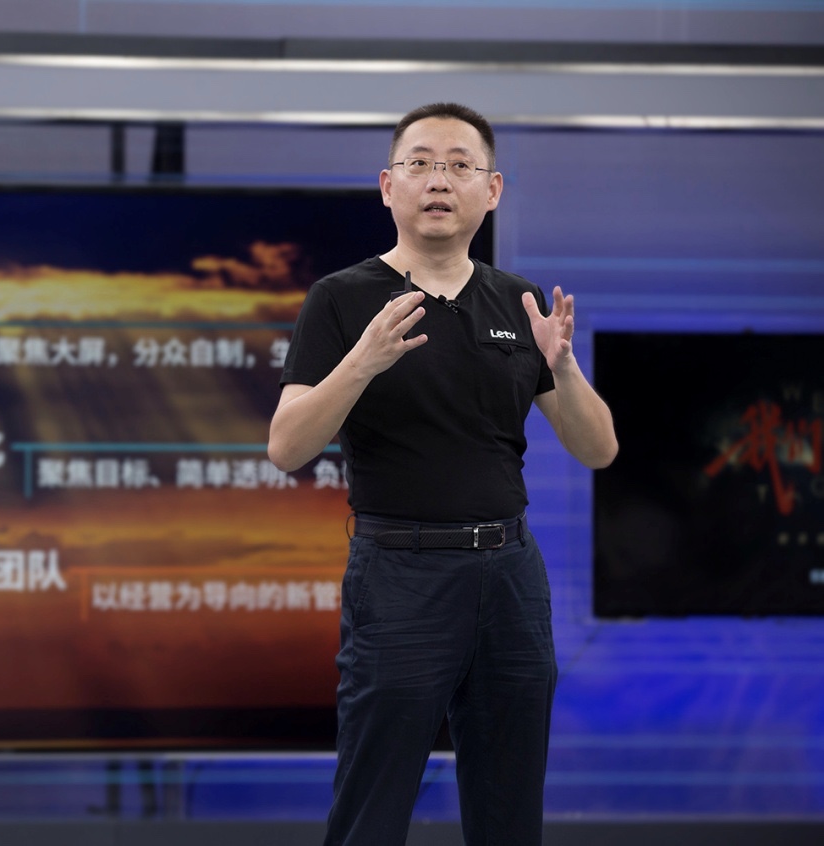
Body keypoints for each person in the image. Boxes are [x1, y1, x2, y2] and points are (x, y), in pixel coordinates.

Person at [268, 102, 618, 846]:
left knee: (509, 812)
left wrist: (561, 365)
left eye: (460, 166)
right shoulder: (341, 297)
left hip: (510, 576)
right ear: (387, 185)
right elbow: (287, 447)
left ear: (491, 190)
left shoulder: (518, 299)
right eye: (421, 163)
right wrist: (361, 362)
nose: (439, 180)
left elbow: (598, 450)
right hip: (400, 575)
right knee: (371, 809)